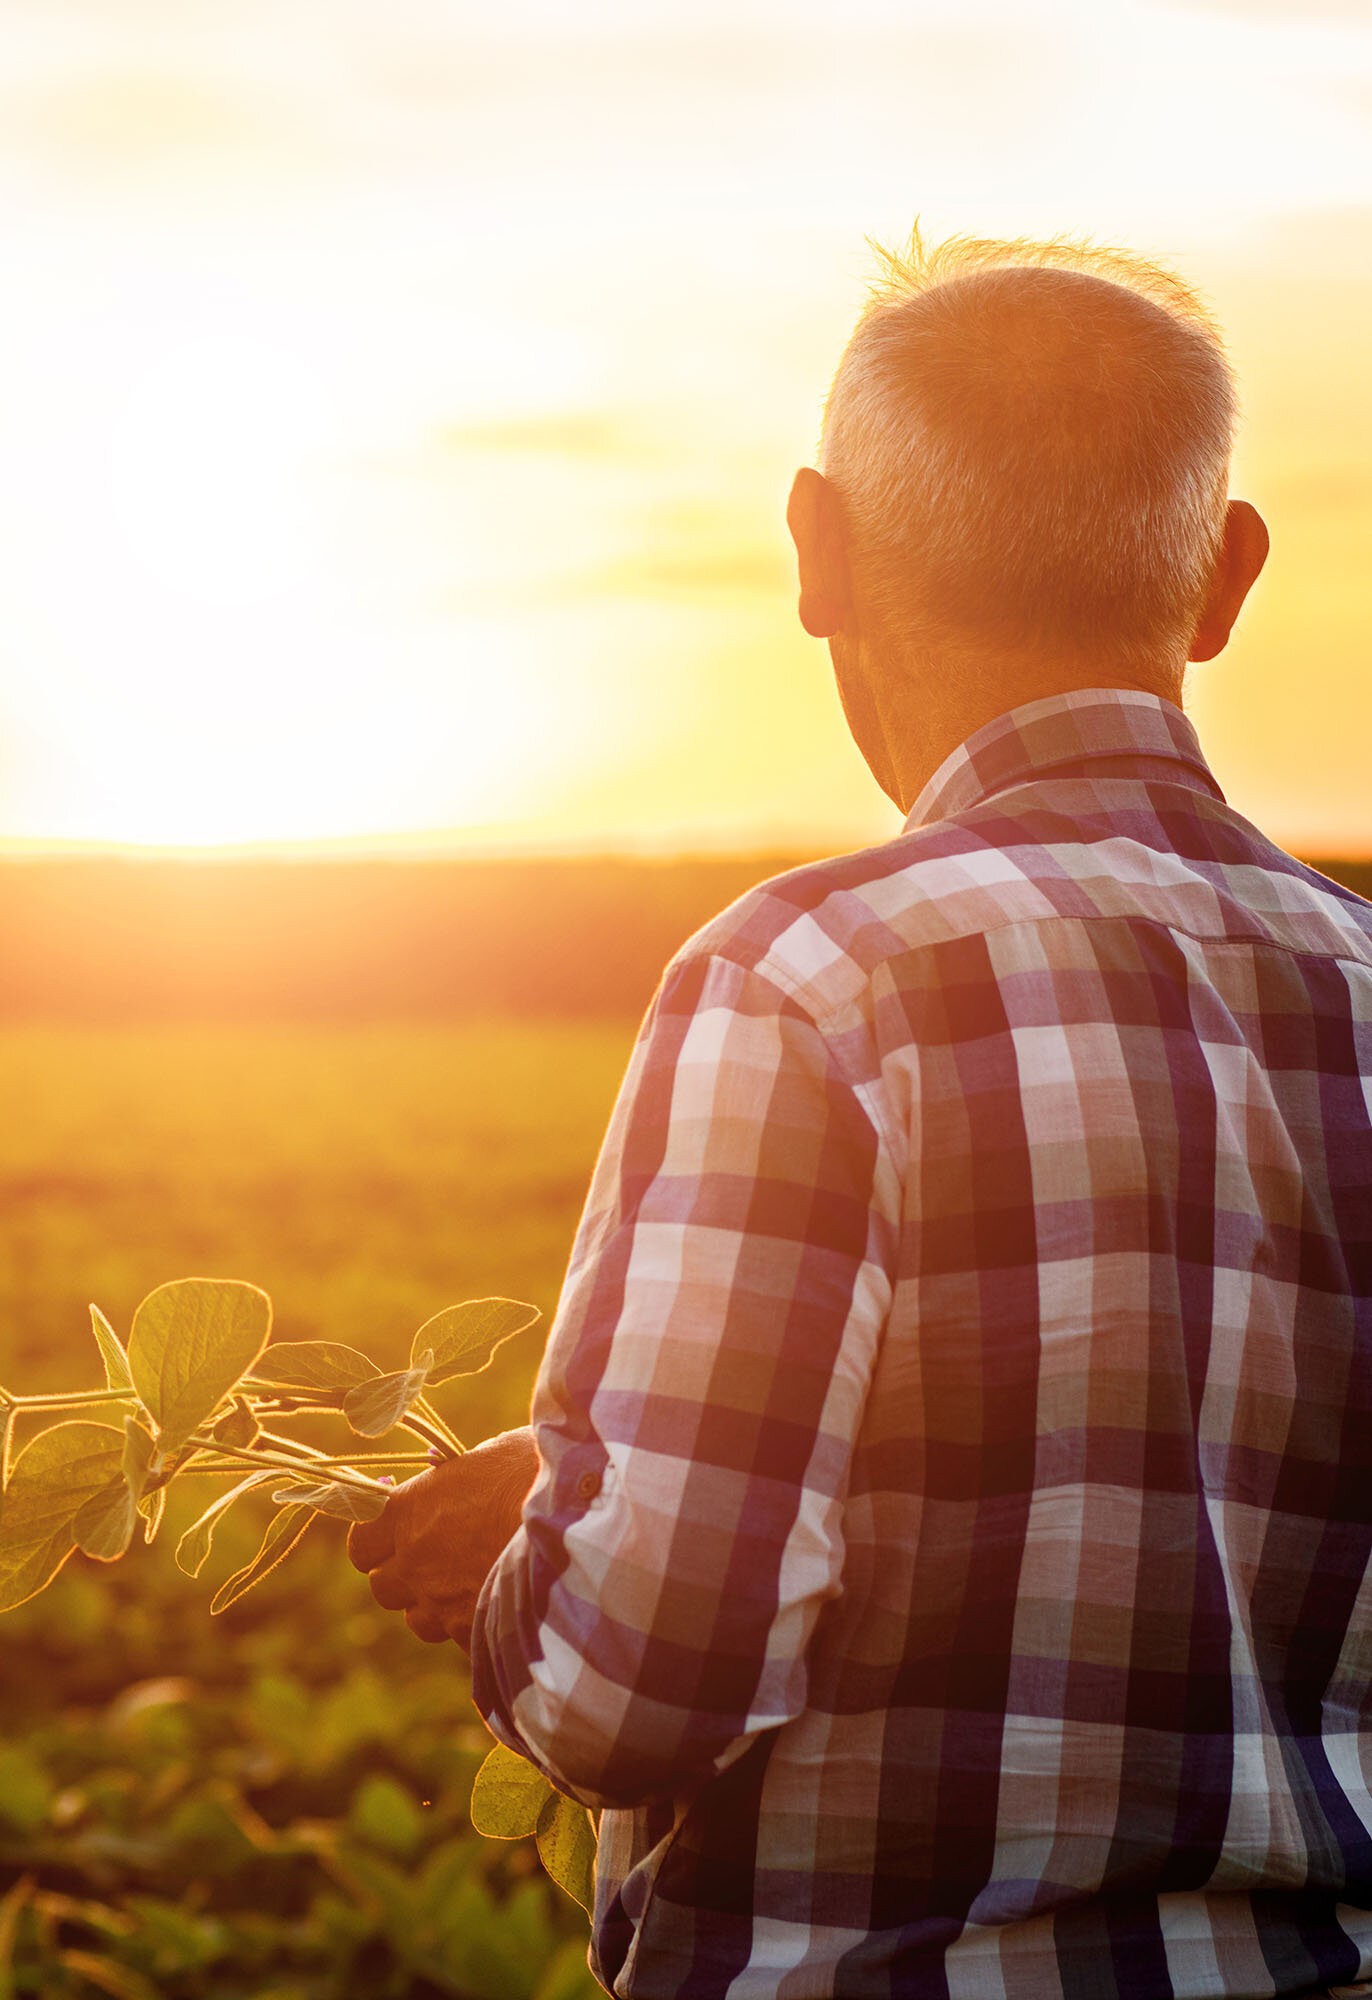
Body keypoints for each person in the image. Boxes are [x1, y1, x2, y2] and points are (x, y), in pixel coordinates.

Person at [348, 234, 1372, 1999]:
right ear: (1227, 575)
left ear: (816, 549)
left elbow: (643, 1675)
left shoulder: (808, 982)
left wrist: (538, 1566)